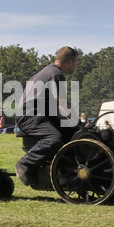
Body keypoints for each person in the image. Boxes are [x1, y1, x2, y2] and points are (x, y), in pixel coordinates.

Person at [15, 46, 79, 185]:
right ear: (69, 62)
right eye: (76, 62)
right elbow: (61, 102)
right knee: (53, 139)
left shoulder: (50, 71)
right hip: (30, 116)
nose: (76, 66)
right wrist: (77, 120)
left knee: (73, 132)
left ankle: (66, 173)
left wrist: (76, 125)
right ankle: (24, 164)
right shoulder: (55, 74)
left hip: (40, 114)